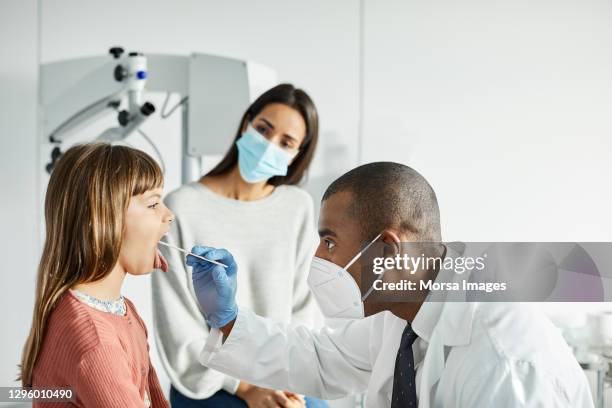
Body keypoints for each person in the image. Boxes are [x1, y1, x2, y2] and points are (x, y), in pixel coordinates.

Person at [186, 162, 594, 407]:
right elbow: (325, 358)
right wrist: (230, 320)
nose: (317, 258)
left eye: (329, 241)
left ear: (387, 251)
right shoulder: (403, 312)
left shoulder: (504, 365)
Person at [153, 84, 325, 407]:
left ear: (297, 154)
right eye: (263, 129)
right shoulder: (182, 208)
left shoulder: (297, 207)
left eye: (286, 142)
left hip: (283, 376)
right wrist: (244, 387)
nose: (268, 145)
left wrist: (288, 385)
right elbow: (180, 333)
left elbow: (303, 311)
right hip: (211, 382)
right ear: (246, 124)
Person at [19, 143, 173, 407]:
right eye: (153, 204)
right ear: (101, 218)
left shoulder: (124, 311)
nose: (169, 215)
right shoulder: (94, 339)